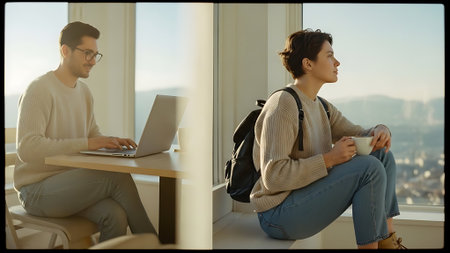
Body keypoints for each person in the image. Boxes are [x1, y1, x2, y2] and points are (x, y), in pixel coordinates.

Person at [250, 29, 406, 249]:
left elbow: (361, 134)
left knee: (381, 155)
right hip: (278, 214)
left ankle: (388, 242)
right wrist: (329, 159)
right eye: (329, 55)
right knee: (369, 167)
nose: (337, 62)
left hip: (304, 199)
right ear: (308, 64)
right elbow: (273, 176)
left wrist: (381, 129)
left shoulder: (321, 105)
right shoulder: (283, 104)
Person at [14, 21, 157, 244]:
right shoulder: (39, 89)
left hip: (70, 185)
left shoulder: (84, 92)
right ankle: (155, 244)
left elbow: (91, 134)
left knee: (115, 215)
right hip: (36, 191)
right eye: (87, 53)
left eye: (95, 54)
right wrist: (89, 143)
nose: (92, 61)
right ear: (65, 51)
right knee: (116, 176)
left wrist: (109, 141)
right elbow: (27, 148)